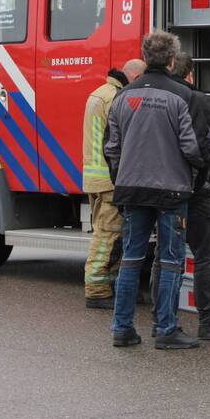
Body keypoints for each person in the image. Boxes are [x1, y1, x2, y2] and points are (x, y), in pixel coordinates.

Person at [103, 32, 205, 350]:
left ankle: (122, 328)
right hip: (172, 191)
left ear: (146, 59)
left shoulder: (123, 96)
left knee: (131, 258)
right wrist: (199, 170)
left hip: (131, 189)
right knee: (171, 260)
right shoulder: (181, 96)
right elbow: (191, 147)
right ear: (172, 60)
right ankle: (166, 329)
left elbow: (111, 147)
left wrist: (121, 178)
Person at [149, 52, 210, 340]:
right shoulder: (198, 100)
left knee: (163, 256)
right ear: (190, 74)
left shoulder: (153, 99)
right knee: (205, 254)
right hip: (195, 190)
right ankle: (207, 319)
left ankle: (161, 318)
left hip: (161, 188)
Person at [82, 59, 146, 309]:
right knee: (108, 235)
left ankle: (107, 284)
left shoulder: (100, 93)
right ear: (133, 76)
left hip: (96, 177)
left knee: (107, 233)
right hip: (110, 179)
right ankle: (97, 289)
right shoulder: (117, 98)